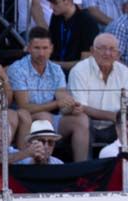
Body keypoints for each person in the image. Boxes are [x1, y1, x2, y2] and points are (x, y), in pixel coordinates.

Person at [8, 27, 90, 162]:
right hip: (25, 121)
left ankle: (80, 170)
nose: (41, 53)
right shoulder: (17, 69)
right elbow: (24, 106)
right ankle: (36, 164)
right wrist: (57, 104)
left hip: (49, 119)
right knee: (44, 116)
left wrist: (72, 107)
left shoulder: (56, 69)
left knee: (81, 119)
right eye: (37, 48)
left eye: (45, 48)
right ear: (28, 48)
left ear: (51, 48)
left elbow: (62, 101)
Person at [67, 32, 128, 146]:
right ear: (92, 51)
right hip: (89, 124)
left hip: (116, 126)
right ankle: (86, 164)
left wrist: (120, 118)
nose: (107, 53)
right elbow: (80, 106)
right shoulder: (79, 70)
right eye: (102, 48)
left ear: (118, 54)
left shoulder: (124, 71)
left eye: (112, 49)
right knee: (82, 121)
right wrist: (113, 116)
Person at [45, 0, 100, 68]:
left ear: (68, 0)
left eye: (55, 3)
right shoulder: (56, 17)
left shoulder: (88, 22)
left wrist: (54, 65)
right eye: (50, 2)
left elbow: (85, 63)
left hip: (77, 74)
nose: (51, 7)